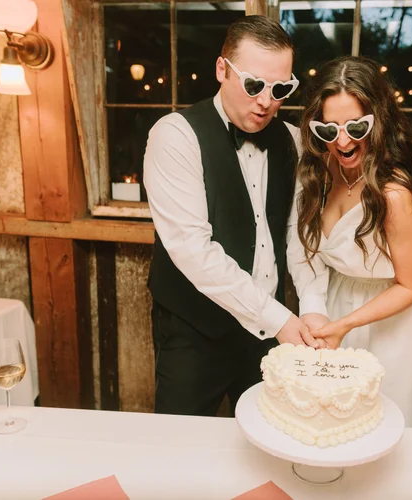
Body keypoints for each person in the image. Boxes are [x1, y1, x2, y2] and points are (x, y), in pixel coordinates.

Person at [143, 16, 320, 417]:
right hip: (194, 331)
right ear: (222, 69)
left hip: (267, 334)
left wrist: (310, 307)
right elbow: (192, 249)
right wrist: (279, 320)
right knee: (181, 446)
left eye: (280, 89)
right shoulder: (175, 135)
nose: (266, 101)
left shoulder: (292, 140)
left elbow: (297, 235)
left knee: (267, 443)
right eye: (254, 85)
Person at [287, 56, 412, 428]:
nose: (342, 141)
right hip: (336, 305)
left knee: (385, 425)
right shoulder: (319, 174)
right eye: (328, 130)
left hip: (393, 321)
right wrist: (324, 316)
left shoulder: (394, 193)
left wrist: (347, 324)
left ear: (378, 122)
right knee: (334, 426)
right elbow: (306, 251)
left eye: (355, 127)